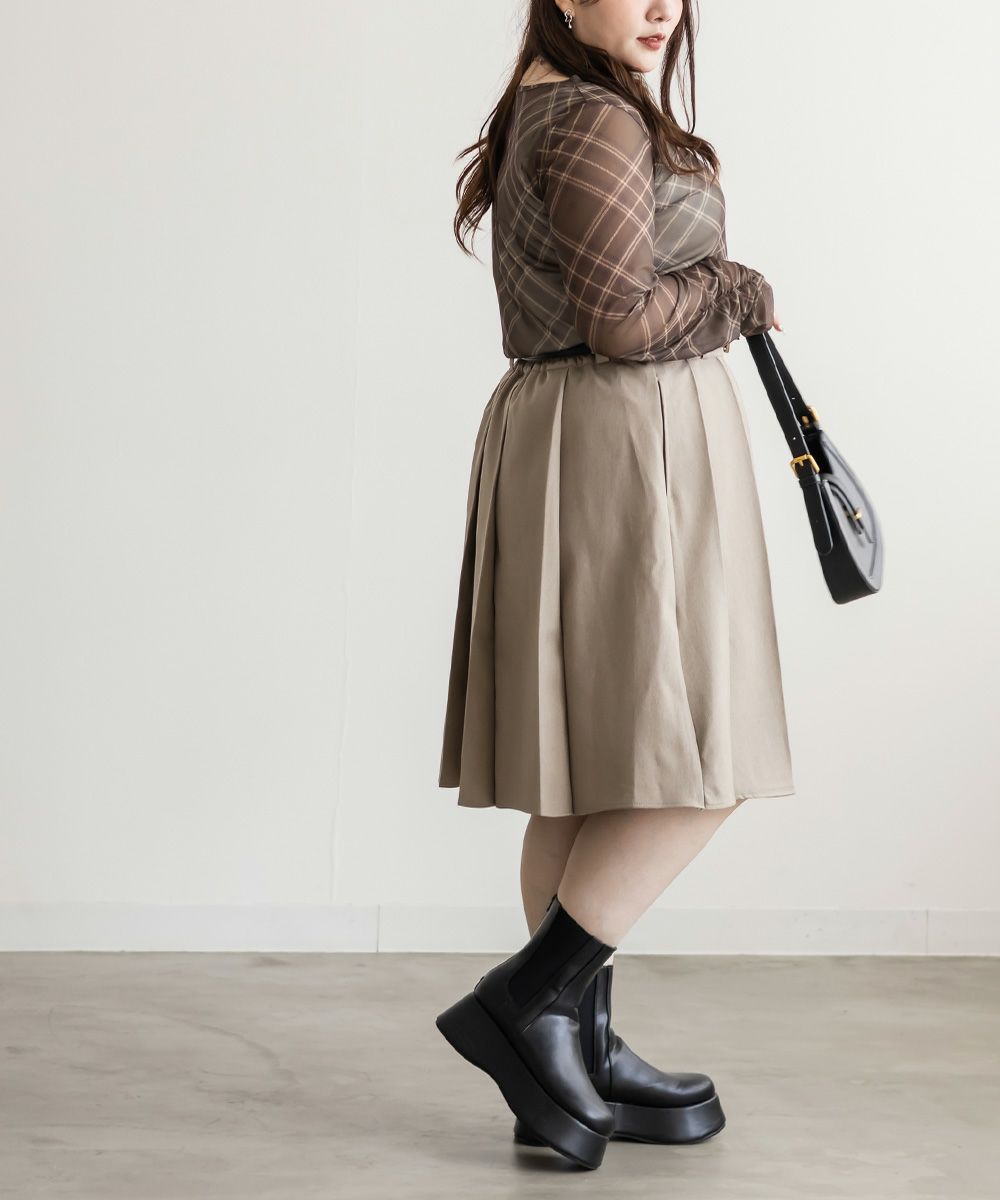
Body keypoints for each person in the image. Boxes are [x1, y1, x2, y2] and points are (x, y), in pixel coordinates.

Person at [435, 0, 796, 1171]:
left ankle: (570, 1056)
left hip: (579, 437)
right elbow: (625, 323)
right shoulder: (590, 115)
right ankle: (529, 1002)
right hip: (625, 444)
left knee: (585, 770)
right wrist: (733, 286)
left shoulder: (549, 103)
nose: (660, 6)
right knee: (702, 750)